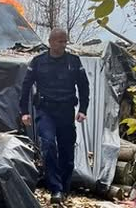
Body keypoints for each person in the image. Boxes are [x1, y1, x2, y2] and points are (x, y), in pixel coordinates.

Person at [19, 28, 89, 204]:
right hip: (46, 111)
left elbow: (84, 86)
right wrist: (24, 112)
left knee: (67, 150)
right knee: (48, 145)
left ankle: (64, 188)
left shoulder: (73, 61)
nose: (63, 44)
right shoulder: (38, 61)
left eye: (65, 41)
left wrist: (83, 109)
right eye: (60, 41)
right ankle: (55, 188)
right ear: (50, 41)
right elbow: (26, 86)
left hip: (66, 111)